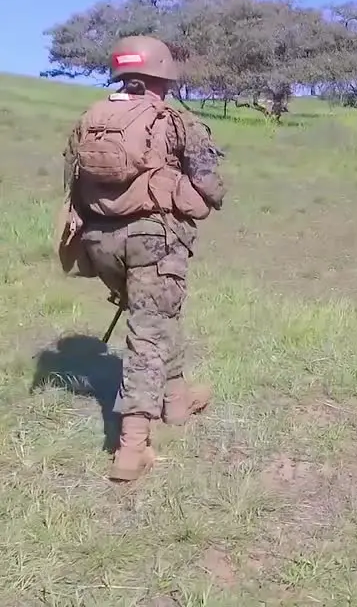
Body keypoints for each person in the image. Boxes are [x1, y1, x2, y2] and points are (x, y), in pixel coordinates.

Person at [56, 35, 227, 482]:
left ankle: (176, 401)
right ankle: (132, 448)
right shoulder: (174, 118)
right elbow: (209, 184)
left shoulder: (92, 116)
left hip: (99, 242)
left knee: (157, 320)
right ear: (163, 73)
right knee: (147, 337)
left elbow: (71, 175)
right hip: (154, 243)